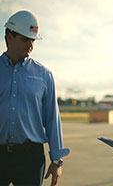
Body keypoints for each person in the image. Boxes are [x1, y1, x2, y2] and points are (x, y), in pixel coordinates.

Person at [0, 10, 70, 186]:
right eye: (25, 39)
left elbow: (52, 118)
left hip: (30, 158)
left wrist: (57, 160)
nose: (30, 45)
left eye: (32, 40)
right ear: (9, 36)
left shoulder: (44, 75)